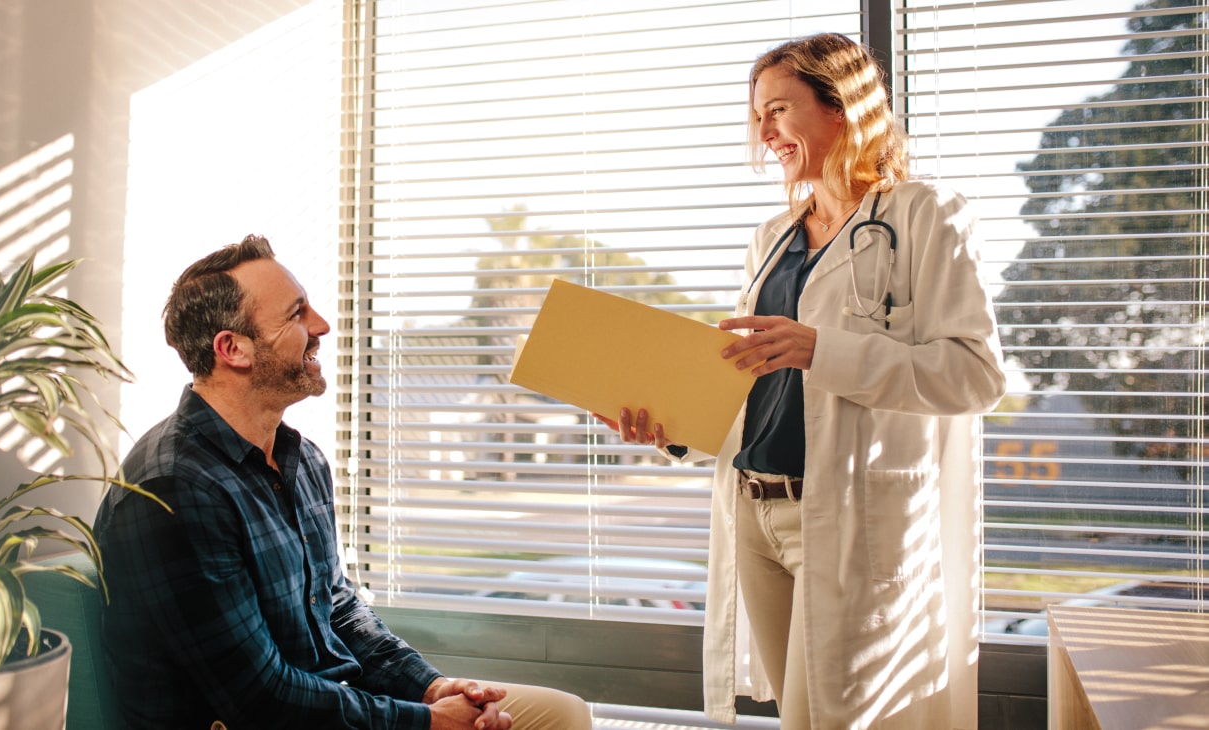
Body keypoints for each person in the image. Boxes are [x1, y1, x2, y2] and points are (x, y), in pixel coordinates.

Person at [599, 33, 1005, 729]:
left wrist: (823, 350)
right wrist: (673, 427)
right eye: (757, 116)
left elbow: (974, 376)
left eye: (780, 109)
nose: (765, 132)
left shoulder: (924, 215)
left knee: (845, 719)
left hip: (848, 513)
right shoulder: (773, 236)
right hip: (755, 508)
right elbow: (757, 379)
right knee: (798, 718)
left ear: (841, 108)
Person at [95, 235, 592, 730]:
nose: (321, 326)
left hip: (336, 702)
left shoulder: (301, 460)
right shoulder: (173, 489)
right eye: (297, 314)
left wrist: (430, 688)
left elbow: (337, 607)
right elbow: (259, 701)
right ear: (233, 349)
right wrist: (427, 723)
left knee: (563, 714)